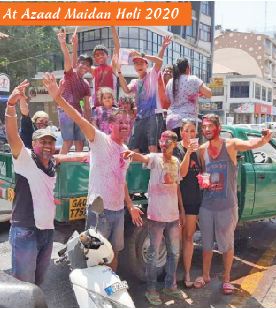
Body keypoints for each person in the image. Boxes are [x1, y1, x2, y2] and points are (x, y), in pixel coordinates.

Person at [43, 72, 137, 272]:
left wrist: (130, 205)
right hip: (99, 211)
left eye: (127, 124)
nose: (124, 126)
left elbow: (122, 181)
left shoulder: (124, 149)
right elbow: (78, 119)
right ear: (111, 124)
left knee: (114, 253)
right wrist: (58, 98)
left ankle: (110, 289)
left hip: (118, 211)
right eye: (120, 123)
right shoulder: (100, 139)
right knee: (93, 256)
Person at [195, 114, 272, 295]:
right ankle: (205, 276)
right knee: (206, 245)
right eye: (204, 127)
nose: (206, 130)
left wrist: (264, 139)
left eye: (210, 126)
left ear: (218, 127)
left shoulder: (231, 145)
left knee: (227, 245)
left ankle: (227, 279)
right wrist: (204, 181)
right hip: (206, 206)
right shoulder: (201, 149)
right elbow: (203, 173)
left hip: (227, 206)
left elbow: (251, 144)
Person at [124, 130, 186, 305]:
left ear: (175, 145)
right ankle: (151, 290)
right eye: (163, 141)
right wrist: (132, 154)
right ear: (159, 142)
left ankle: (170, 286)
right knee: (152, 255)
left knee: (174, 253)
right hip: (156, 216)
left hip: (173, 216)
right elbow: (141, 158)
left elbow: (177, 187)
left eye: (169, 142)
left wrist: (181, 210)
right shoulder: (154, 158)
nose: (165, 144)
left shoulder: (176, 161)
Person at [6, 80, 57, 284]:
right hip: (25, 231)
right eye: (42, 141)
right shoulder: (25, 158)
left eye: (50, 142)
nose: (47, 145)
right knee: (23, 288)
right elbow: (12, 136)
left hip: (47, 232)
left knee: (38, 284)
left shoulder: (51, 164)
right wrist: (11, 107)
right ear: (33, 143)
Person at [114, 46, 169, 154]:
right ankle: (138, 169)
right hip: (140, 117)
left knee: (152, 146)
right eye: (136, 63)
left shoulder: (152, 74)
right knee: (134, 147)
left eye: (141, 63)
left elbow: (160, 61)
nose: (139, 65)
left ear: (146, 65)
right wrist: (119, 71)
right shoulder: (135, 82)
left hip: (154, 115)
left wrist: (142, 54)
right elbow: (126, 89)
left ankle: (152, 170)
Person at [173, 119, 204, 289]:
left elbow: (202, 173)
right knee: (175, 239)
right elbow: (181, 173)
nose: (190, 134)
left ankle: (186, 273)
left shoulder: (199, 152)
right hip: (178, 202)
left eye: (193, 131)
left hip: (193, 201)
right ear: (181, 133)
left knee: (189, 237)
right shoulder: (177, 149)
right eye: (187, 131)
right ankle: (171, 278)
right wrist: (188, 153)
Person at [56, 28, 91, 154]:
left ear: (89, 68)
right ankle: (58, 168)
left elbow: (87, 106)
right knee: (68, 142)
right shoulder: (70, 75)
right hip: (65, 111)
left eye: (88, 65)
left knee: (80, 142)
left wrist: (88, 122)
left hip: (78, 113)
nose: (84, 66)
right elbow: (69, 61)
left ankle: (77, 170)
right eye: (82, 63)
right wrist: (63, 44)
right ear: (77, 64)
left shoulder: (86, 84)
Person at [165, 58, 212, 137]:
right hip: (188, 121)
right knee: (193, 147)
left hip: (171, 121)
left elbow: (167, 100)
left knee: (175, 148)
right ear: (188, 68)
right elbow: (209, 94)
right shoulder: (193, 79)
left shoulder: (170, 82)